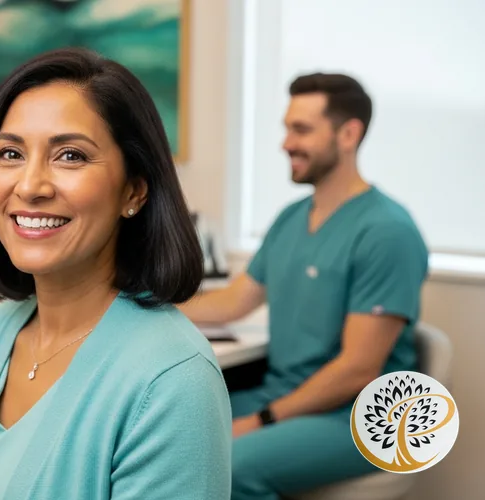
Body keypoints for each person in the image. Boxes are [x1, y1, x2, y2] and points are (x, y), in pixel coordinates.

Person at [0, 47, 232, 500]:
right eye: (10, 153)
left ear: (134, 190)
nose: (29, 186)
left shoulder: (173, 383)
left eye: (69, 155)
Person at [180, 73, 429, 499]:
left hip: (369, 415)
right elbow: (236, 300)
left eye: (301, 129)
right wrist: (143, 307)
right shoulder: (292, 218)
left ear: (349, 134)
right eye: (286, 128)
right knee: (168, 431)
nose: (285, 143)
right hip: (285, 394)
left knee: (229, 465)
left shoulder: (387, 231)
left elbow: (358, 369)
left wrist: (260, 421)